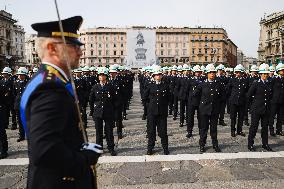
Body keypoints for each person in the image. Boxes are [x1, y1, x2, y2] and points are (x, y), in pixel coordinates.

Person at [20, 16, 103, 189]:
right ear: (52, 48)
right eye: (74, 45)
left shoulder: (45, 80)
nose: (80, 52)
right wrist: (85, 157)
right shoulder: (50, 87)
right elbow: (44, 150)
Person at [193, 64, 222, 153]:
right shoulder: (202, 85)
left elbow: (222, 96)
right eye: (210, 73)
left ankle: (215, 144)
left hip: (214, 110)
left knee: (214, 129)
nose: (212, 74)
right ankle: (202, 144)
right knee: (203, 128)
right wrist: (200, 106)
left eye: (213, 72)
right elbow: (195, 95)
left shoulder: (218, 84)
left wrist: (218, 106)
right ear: (207, 74)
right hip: (204, 110)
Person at [89, 67, 117, 156]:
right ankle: (99, 148)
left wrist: (112, 110)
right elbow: (91, 100)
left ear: (106, 77)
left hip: (108, 111)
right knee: (98, 131)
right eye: (100, 75)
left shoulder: (110, 87)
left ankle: (111, 147)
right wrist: (93, 111)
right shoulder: (95, 87)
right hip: (98, 112)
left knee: (109, 130)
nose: (101, 77)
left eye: (103, 75)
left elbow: (114, 100)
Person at [143, 65, 170, 155]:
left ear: (162, 76)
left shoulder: (165, 86)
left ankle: (165, 147)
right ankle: (150, 147)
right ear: (153, 76)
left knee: (163, 131)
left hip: (162, 112)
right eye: (156, 75)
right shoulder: (150, 86)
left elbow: (169, 98)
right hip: (152, 112)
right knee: (151, 131)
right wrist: (150, 106)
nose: (158, 76)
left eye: (159, 74)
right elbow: (144, 97)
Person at [247, 63, 273, 151]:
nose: (265, 75)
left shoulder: (269, 83)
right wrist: (252, 106)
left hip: (266, 110)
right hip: (256, 109)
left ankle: (265, 144)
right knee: (254, 127)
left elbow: (271, 96)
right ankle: (250, 144)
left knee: (265, 128)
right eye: (264, 73)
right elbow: (248, 96)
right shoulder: (256, 83)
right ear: (260, 74)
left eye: (266, 73)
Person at [226, 64, 248, 137]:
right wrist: (230, 99)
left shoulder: (245, 80)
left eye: (240, 72)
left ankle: (239, 130)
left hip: (242, 102)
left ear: (242, 73)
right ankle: (233, 130)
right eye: (237, 72)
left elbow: (247, 90)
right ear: (235, 72)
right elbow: (228, 90)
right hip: (233, 102)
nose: (238, 74)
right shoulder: (232, 80)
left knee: (241, 117)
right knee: (233, 117)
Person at [268, 63, 284, 136]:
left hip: (282, 101)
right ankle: (271, 130)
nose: (282, 71)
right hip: (274, 101)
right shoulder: (274, 79)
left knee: (280, 117)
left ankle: (279, 130)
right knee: (272, 116)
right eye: (281, 70)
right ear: (278, 71)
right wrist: (271, 100)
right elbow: (270, 90)